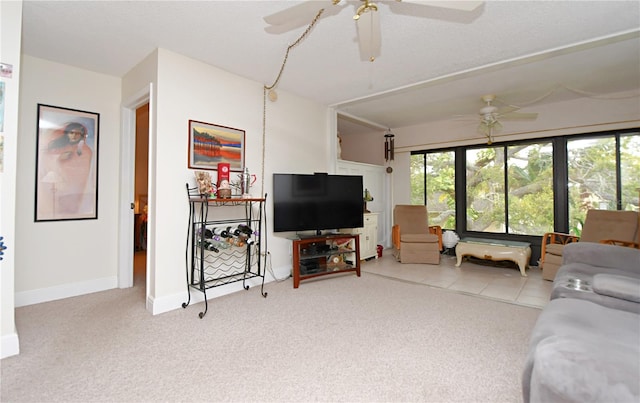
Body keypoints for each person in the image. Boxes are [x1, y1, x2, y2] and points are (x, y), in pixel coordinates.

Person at [38, 122, 94, 218]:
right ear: (67, 133)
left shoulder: (86, 150)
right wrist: (59, 157)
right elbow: (45, 159)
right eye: (71, 133)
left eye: (78, 133)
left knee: (73, 208)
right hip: (58, 183)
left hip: (77, 186)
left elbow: (85, 167)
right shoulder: (57, 146)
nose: (74, 136)